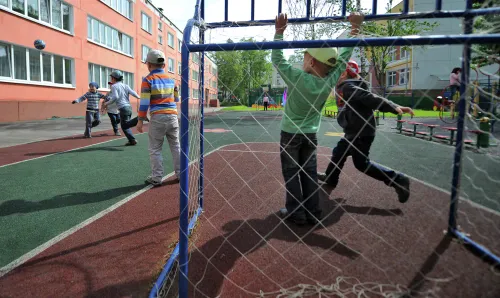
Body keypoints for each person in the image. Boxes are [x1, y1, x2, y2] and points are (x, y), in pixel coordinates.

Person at [273, 12, 364, 225]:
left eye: (305, 56)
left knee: (292, 173)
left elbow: (277, 59)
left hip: (290, 135)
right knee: (309, 173)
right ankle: (313, 210)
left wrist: (279, 33)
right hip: (310, 135)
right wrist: (355, 29)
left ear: (311, 61)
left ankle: (296, 212)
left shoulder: (296, 77)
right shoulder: (329, 81)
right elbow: (343, 59)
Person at [317, 60, 414, 203]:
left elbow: (370, 98)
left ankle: (398, 179)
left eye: (335, 74)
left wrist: (393, 107)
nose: (332, 77)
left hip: (361, 133)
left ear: (343, 74)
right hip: (353, 131)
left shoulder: (348, 87)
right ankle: (331, 178)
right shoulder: (345, 87)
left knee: (361, 164)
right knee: (339, 152)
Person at [136, 49, 181, 186]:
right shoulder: (173, 80)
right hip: (172, 116)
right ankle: (181, 174)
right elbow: (176, 98)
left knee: (155, 148)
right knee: (176, 145)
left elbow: (144, 103)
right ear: (164, 65)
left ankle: (157, 177)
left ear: (149, 64)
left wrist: (140, 120)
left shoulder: (148, 80)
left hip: (157, 117)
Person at [103, 70, 141, 146]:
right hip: (129, 107)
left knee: (125, 125)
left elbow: (115, 97)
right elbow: (133, 93)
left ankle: (139, 119)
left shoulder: (114, 86)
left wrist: (106, 103)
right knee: (125, 125)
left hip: (123, 108)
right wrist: (139, 97)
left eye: (111, 78)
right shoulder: (125, 85)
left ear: (114, 78)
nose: (111, 80)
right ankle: (132, 140)